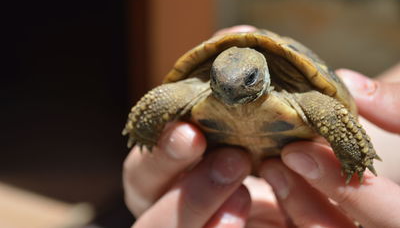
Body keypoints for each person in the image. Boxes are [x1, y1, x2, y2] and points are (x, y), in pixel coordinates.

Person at [123, 26, 400, 227]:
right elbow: (163, 97)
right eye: (220, 81)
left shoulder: (305, 96)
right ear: (212, 76)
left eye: (248, 80)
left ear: (263, 72)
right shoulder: (195, 87)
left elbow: (332, 112)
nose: (232, 91)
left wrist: (353, 159)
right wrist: (145, 132)